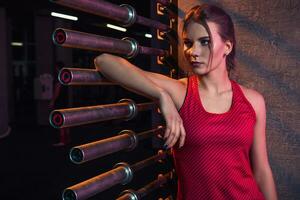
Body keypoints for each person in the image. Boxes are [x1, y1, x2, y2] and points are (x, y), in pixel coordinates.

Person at [94, 3, 277, 200]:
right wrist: (162, 95)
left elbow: (262, 171)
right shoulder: (180, 92)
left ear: (227, 46)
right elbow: (104, 61)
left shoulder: (253, 101)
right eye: (188, 43)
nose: (193, 51)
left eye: (205, 42)